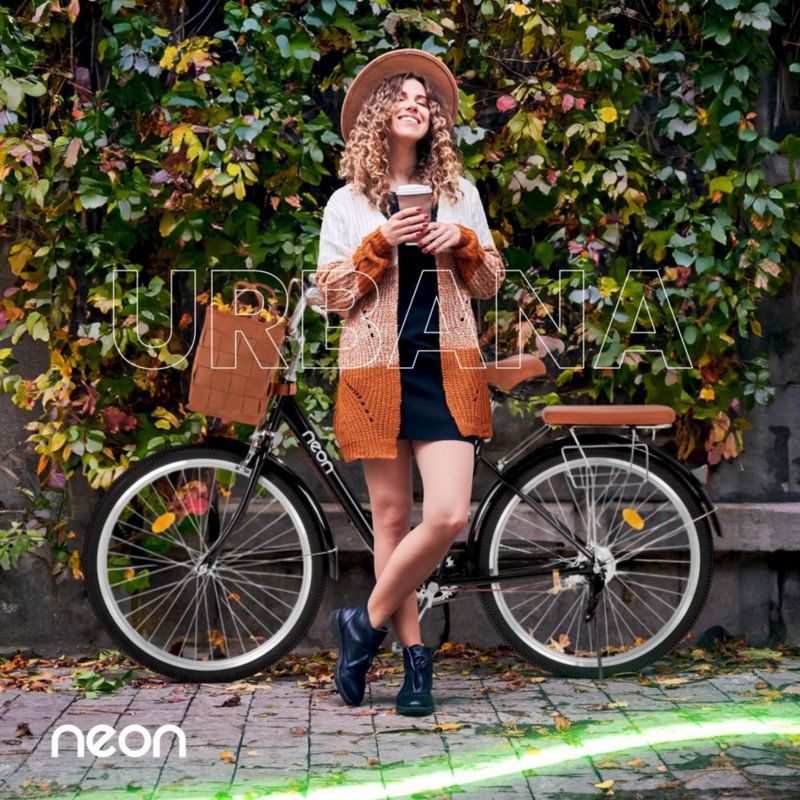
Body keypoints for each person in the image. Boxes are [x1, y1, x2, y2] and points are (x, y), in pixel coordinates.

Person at [313, 48, 506, 716]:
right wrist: (381, 244)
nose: (415, 105)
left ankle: (361, 626)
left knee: (448, 515)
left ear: (434, 122)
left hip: (445, 369)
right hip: (376, 373)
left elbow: (489, 282)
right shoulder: (347, 204)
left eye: (424, 100)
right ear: (379, 113)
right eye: (402, 96)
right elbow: (332, 295)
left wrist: (463, 243)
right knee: (392, 519)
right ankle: (414, 662)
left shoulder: (460, 195)